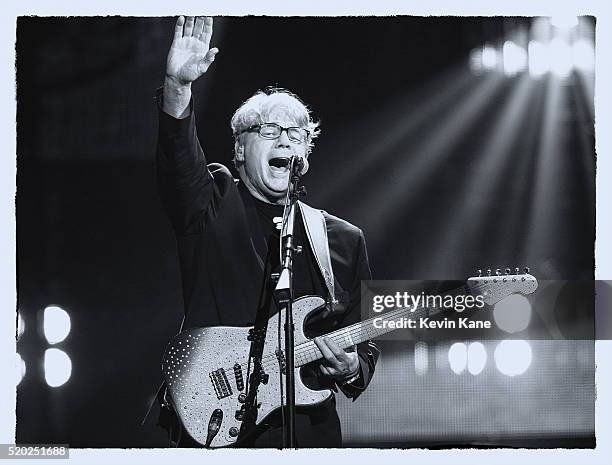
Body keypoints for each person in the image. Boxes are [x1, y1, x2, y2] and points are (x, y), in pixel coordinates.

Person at [156, 16, 379, 448]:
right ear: (239, 148)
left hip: (309, 433)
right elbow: (178, 169)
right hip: (219, 427)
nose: (285, 143)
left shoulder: (343, 240)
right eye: (269, 131)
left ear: (306, 156)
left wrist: (352, 368)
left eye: (297, 136)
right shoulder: (213, 202)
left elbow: (363, 338)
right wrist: (178, 90)